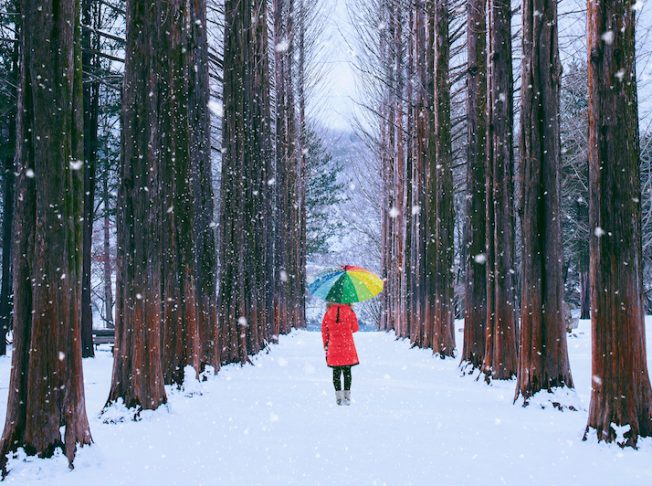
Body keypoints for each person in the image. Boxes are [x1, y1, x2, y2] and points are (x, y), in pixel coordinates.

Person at [321, 302, 359, 406]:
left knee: (336, 372)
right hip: (347, 346)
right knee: (347, 372)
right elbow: (355, 329)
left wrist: (326, 346)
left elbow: (324, 331)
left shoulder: (328, 313)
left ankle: (339, 398)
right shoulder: (350, 312)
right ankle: (347, 397)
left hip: (333, 347)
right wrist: (352, 315)